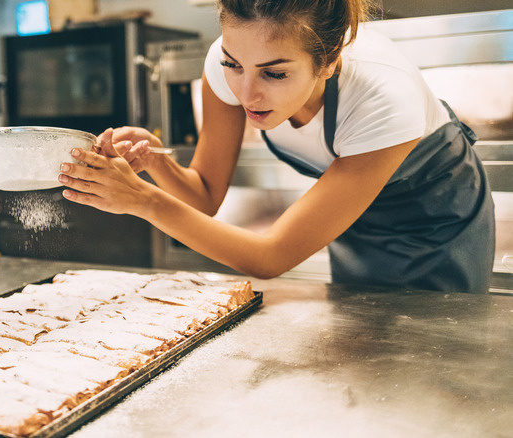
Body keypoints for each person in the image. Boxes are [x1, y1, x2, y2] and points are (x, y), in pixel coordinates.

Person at [58, 0, 495, 293]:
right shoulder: (226, 67)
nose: (246, 93)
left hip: (437, 222)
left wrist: (141, 200)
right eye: (233, 65)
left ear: (328, 62)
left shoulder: (383, 97)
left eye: (275, 74)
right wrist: (156, 162)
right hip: (355, 223)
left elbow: (271, 257)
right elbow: (205, 196)